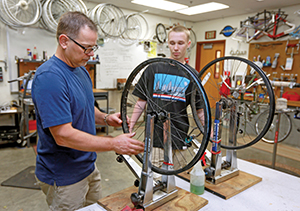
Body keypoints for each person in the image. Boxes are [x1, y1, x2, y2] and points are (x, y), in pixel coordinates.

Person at [31, 11, 144, 210]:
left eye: (93, 47)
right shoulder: (49, 77)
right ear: (64, 41)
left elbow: (85, 107)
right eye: (86, 48)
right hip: (64, 176)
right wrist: (113, 143)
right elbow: (63, 136)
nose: (91, 54)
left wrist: (106, 118)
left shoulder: (81, 69)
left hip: (88, 167)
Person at [129, 25, 206, 169]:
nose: (176, 48)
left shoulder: (192, 75)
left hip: (179, 135)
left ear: (188, 44)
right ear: (167, 44)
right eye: (172, 43)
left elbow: (200, 109)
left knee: (176, 180)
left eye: (180, 43)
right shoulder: (154, 67)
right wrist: (130, 127)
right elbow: (141, 100)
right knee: (156, 180)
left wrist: (209, 132)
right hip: (155, 137)